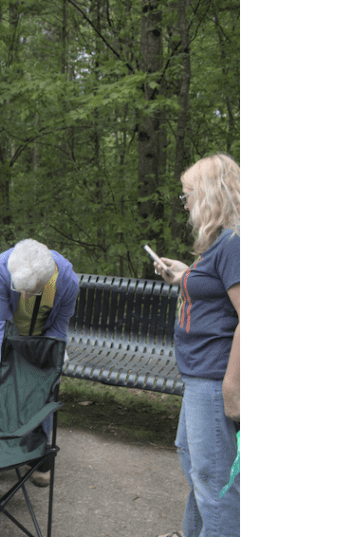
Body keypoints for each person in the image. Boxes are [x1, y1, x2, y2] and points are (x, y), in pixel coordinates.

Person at [153, 153, 240, 537]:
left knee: (214, 484)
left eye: (188, 195)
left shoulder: (236, 243)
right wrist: (185, 275)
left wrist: (232, 388)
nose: (185, 204)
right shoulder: (221, 243)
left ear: (208, 196)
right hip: (197, 375)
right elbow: (218, 291)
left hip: (214, 377)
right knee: (196, 467)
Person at [0, 238, 79, 488]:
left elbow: (59, 328)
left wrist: (50, 361)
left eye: (32, 291)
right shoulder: (0, 268)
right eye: (20, 289)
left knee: (42, 387)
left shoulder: (66, 280)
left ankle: (38, 454)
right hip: (2, 324)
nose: (24, 296)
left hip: (43, 327)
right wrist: (7, 361)